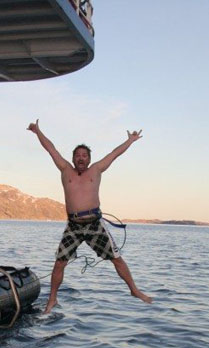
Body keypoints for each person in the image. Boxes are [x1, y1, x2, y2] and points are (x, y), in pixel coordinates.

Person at [27, 120, 152, 313]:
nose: (81, 158)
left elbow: (114, 154)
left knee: (117, 259)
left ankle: (134, 290)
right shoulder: (65, 169)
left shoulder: (96, 169)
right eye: (78, 155)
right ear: (73, 158)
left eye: (84, 155)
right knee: (60, 262)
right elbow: (50, 149)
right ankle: (52, 299)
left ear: (89, 158)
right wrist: (37, 131)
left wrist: (130, 141)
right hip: (73, 226)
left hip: (95, 224)